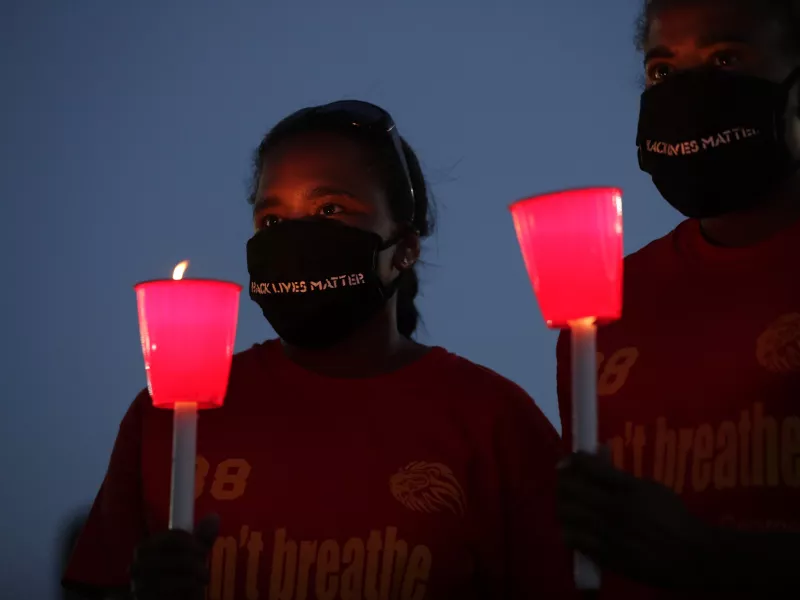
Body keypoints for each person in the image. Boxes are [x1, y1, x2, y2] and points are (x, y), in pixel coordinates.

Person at [62, 100, 576, 599]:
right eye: (273, 222)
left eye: (330, 209)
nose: (295, 239)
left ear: (406, 248)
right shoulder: (169, 417)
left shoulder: (492, 421)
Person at [556, 0, 800, 597]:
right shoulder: (606, 307)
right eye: (662, 70)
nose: (688, 91)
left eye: (725, 59)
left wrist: (714, 557)